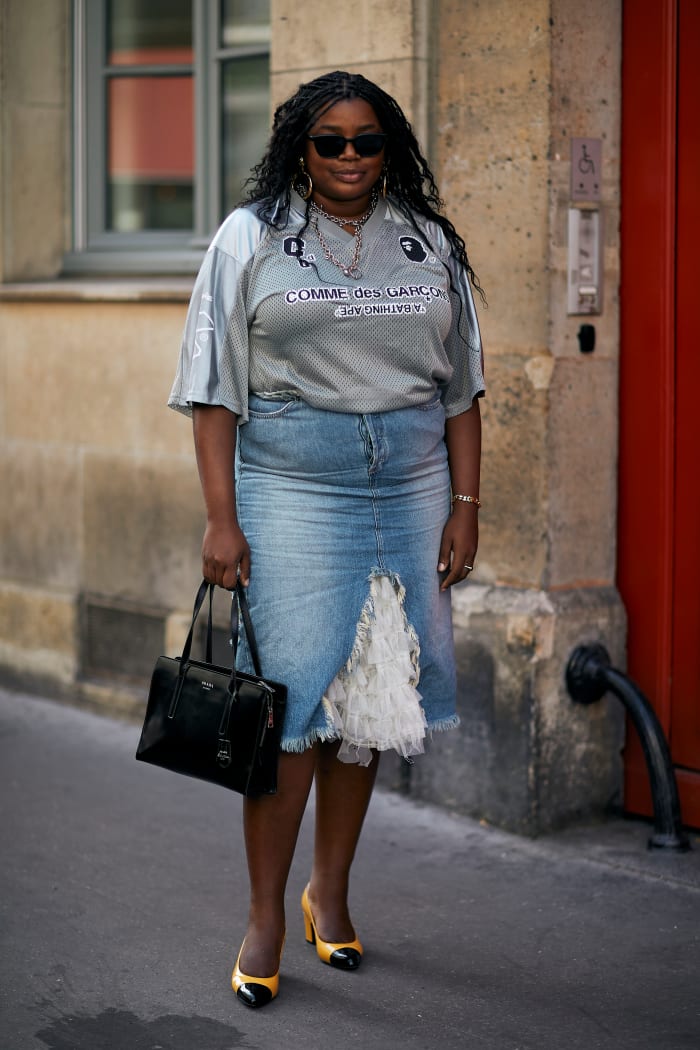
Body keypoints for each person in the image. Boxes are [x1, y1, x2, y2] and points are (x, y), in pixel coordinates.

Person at [169, 70, 484, 1009]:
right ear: (298, 149)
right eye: (329, 141)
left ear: (392, 148)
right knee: (293, 712)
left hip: (415, 485)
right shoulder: (251, 237)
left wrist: (467, 503)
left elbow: (462, 389)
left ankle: (329, 894)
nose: (350, 158)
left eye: (368, 141)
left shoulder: (430, 243)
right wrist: (221, 517)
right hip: (295, 489)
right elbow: (213, 384)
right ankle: (266, 912)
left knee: (370, 702)